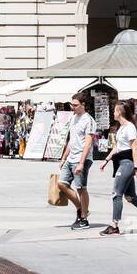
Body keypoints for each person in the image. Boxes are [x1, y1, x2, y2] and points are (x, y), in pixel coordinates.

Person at [98, 99, 137, 236]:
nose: (113, 113)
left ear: (120, 112)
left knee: (116, 194)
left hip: (127, 163)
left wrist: (136, 168)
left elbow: (134, 148)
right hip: (121, 162)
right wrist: (106, 160)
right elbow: (117, 147)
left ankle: (114, 225)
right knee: (130, 196)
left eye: (114, 110)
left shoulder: (130, 127)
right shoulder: (121, 128)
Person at [58, 94, 96, 230]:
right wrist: (63, 158)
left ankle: (84, 219)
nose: (72, 107)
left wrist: (81, 162)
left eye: (75, 105)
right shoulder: (73, 118)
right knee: (61, 184)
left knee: (81, 188)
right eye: (71, 104)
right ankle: (80, 209)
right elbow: (71, 140)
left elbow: (88, 143)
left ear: (83, 105)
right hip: (70, 158)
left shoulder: (89, 120)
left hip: (82, 158)